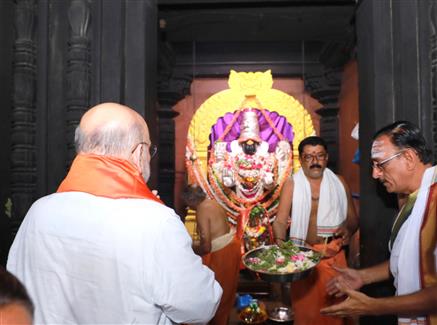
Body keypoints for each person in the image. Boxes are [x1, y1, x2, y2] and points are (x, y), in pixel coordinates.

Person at [7, 102, 222, 324]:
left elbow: (17, 287)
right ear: (139, 152)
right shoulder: (155, 223)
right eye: (150, 150)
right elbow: (201, 306)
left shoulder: (39, 211)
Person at [321, 121, 437, 324]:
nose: (375, 174)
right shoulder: (411, 198)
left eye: (380, 164)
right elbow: (407, 259)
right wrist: (363, 276)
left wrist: (374, 306)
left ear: (409, 158)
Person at [273, 136, 358, 325]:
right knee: (307, 313)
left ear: (326, 158)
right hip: (304, 258)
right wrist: (282, 249)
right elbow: (279, 222)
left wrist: (348, 230)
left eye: (319, 156)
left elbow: (353, 219)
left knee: (336, 311)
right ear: (301, 160)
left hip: (334, 256)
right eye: (309, 157)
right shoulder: (292, 184)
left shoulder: (339, 182)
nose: (314, 162)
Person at [182, 185, 241, 325]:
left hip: (222, 253)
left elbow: (206, 246)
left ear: (191, 200)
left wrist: (189, 248)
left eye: (187, 204)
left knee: (215, 295)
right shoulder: (213, 202)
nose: (187, 207)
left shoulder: (202, 209)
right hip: (232, 246)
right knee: (226, 295)